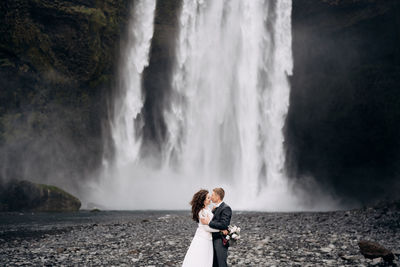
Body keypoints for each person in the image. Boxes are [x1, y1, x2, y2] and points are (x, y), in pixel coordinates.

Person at [182, 189, 228, 267]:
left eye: (210, 197)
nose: (210, 199)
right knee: (201, 258)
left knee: (207, 259)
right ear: (203, 200)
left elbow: (211, 221)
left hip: (208, 238)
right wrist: (220, 229)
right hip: (203, 238)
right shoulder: (202, 212)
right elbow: (207, 228)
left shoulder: (208, 209)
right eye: (208, 198)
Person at [201, 188, 232, 267]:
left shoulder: (226, 208)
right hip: (211, 239)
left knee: (221, 263)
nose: (211, 197)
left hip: (220, 240)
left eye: (212, 195)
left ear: (218, 196)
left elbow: (224, 225)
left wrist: (209, 222)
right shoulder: (214, 209)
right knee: (214, 263)